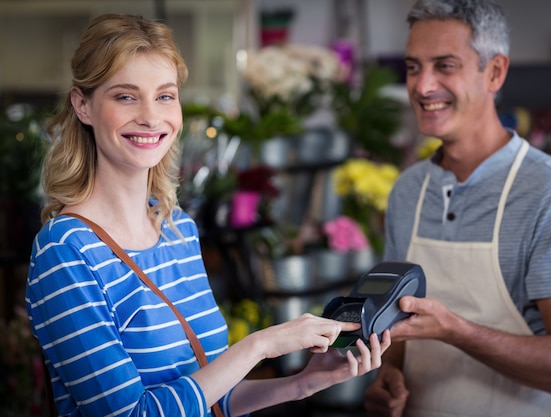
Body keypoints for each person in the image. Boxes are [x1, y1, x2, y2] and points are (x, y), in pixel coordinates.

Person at [26, 13, 390, 417]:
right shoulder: (65, 251)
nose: (151, 116)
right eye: (126, 96)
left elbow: (213, 396)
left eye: (165, 96)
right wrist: (261, 345)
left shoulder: (177, 229)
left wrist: (304, 382)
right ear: (83, 106)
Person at [364, 1, 551, 416]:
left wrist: (456, 331)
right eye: (413, 67)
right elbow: (397, 331)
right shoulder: (407, 192)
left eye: (445, 66)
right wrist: (386, 378)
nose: (422, 87)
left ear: (494, 72)